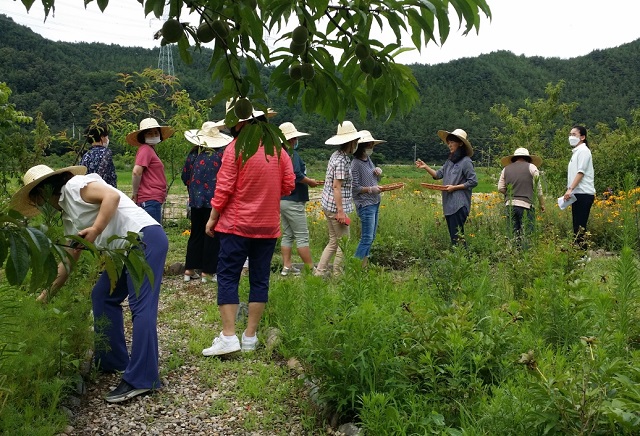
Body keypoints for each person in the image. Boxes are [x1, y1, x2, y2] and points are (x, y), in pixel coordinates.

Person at [10, 164, 168, 403]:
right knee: (102, 296)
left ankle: (144, 379)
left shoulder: (75, 187)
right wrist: (46, 294)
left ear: (44, 191)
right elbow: (69, 259)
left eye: (37, 198)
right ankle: (112, 361)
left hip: (143, 239)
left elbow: (111, 196)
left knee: (141, 306)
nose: (39, 205)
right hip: (123, 251)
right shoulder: (68, 214)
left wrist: (96, 228)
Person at [202, 104, 295, 356]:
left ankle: (229, 336)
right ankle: (250, 337)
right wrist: (267, 193)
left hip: (236, 225)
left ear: (240, 124)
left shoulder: (236, 148)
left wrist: (212, 218)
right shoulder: (279, 150)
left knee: (229, 275)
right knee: (260, 278)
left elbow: (224, 188)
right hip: (267, 226)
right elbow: (289, 184)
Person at [182, 122, 233, 283]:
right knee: (212, 234)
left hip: (196, 201)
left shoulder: (193, 154)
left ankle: (189, 270)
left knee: (195, 233)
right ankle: (207, 271)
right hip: (214, 202)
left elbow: (185, 177)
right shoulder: (221, 156)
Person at [314, 121, 362, 277]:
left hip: (328, 205)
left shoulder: (337, 155)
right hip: (335, 208)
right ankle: (337, 274)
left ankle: (320, 271)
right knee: (343, 242)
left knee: (334, 240)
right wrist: (340, 212)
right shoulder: (341, 161)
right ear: (351, 142)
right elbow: (337, 187)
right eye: (355, 141)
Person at [415, 128, 478, 246]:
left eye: (452, 141)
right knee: (455, 237)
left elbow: (473, 181)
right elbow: (438, 175)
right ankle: (460, 259)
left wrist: (454, 187)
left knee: (458, 237)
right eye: (449, 142)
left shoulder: (466, 161)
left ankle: (463, 259)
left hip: (459, 204)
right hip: (449, 204)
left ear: (460, 143)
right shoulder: (449, 161)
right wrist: (426, 167)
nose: (450, 144)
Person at [278, 122, 323, 276]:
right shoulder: (292, 154)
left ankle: (287, 266)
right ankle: (311, 269)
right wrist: (309, 181)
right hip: (294, 199)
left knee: (288, 234)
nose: (296, 140)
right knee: (302, 235)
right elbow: (296, 174)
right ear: (290, 139)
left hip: (282, 199)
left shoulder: (278, 153)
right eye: (294, 137)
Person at [126, 118, 174, 224]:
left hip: (153, 198)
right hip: (149, 199)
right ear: (143, 136)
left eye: (156, 132)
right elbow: (136, 172)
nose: (153, 135)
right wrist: (135, 193)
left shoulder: (150, 150)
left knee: (148, 233)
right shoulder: (145, 149)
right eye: (149, 133)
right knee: (152, 234)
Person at [351, 130, 385, 266]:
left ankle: (363, 266)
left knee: (372, 237)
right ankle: (355, 265)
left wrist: (377, 172)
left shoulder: (368, 160)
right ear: (362, 146)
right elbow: (354, 187)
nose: (371, 148)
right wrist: (370, 189)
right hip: (365, 204)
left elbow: (371, 178)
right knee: (366, 238)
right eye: (369, 145)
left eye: (372, 145)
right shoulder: (355, 164)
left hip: (375, 202)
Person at [498, 147, 545, 243]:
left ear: (514, 158)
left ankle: (513, 254)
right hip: (526, 205)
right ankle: (526, 253)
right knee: (527, 233)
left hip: (510, 205)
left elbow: (500, 188)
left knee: (512, 233)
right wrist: (542, 204)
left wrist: (510, 194)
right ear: (527, 158)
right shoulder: (531, 167)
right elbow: (538, 188)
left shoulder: (506, 169)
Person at [563, 125, 595, 250]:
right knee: (576, 225)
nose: (571, 137)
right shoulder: (576, 152)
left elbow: (580, 172)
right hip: (577, 193)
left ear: (582, 137)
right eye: (570, 134)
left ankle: (582, 253)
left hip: (584, 193)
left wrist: (570, 188)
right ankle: (578, 252)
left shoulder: (584, 151)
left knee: (581, 225)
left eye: (574, 134)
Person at [80, 122, 117, 188]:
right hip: (103, 191)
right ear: (102, 137)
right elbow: (110, 177)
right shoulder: (106, 152)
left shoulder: (85, 154)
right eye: (106, 136)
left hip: (87, 192)